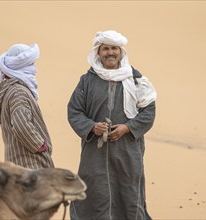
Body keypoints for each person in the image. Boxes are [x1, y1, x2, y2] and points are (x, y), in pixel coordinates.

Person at [67, 30, 156, 220]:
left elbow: (149, 112)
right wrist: (92, 127)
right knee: (93, 193)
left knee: (129, 194)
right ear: (98, 53)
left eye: (114, 48)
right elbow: (74, 111)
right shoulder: (87, 81)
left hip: (128, 152)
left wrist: (127, 128)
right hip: (94, 153)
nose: (110, 53)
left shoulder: (135, 79)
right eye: (105, 49)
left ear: (121, 52)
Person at [0, 43, 54, 169]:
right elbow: (21, 124)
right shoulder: (18, 92)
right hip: (30, 165)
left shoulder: (11, 90)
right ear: (22, 66)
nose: (34, 69)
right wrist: (40, 145)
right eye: (30, 65)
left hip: (19, 164)